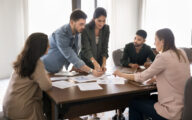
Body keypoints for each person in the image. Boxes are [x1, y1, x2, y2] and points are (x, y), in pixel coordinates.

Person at [114, 28, 191, 120]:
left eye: (155, 40)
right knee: (147, 98)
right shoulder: (181, 52)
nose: (154, 43)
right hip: (185, 107)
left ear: (162, 41)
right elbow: (173, 73)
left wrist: (121, 74)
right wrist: (156, 78)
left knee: (134, 103)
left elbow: (141, 77)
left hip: (171, 112)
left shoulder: (163, 57)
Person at [3, 33, 52, 120]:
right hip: (22, 110)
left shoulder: (22, 58)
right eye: (47, 44)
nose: (49, 46)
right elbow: (46, 86)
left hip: (8, 106)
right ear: (40, 47)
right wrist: (47, 77)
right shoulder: (37, 63)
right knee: (49, 104)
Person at [41, 9, 103, 77]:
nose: (83, 27)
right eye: (81, 24)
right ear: (72, 22)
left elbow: (75, 52)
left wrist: (75, 65)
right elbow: (70, 55)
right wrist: (91, 71)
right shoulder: (61, 34)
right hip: (45, 69)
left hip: (57, 70)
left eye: (84, 24)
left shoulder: (77, 33)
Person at [79, 7, 110, 73]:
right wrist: (94, 62)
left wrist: (104, 64)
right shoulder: (86, 29)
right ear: (94, 19)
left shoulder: (106, 29)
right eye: (99, 20)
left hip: (98, 64)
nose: (101, 23)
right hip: (85, 63)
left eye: (104, 21)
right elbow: (86, 50)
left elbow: (105, 48)